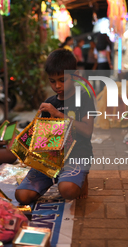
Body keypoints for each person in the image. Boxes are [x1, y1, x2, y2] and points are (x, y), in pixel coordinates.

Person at [15, 49, 96, 204]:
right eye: (52, 81)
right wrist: (28, 147)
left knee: (67, 190)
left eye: (62, 79)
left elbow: (87, 131)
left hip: (77, 156)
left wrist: (59, 115)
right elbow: (45, 142)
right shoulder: (50, 102)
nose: (57, 85)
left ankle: (81, 177)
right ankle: (56, 177)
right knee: (22, 196)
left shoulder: (84, 97)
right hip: (51, 159)